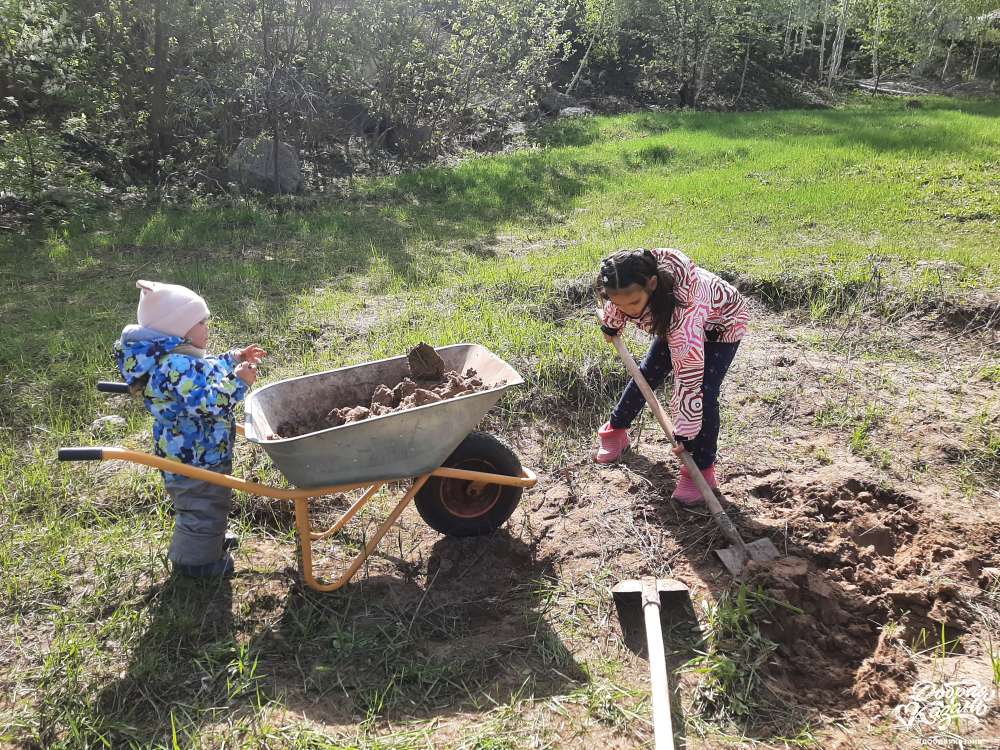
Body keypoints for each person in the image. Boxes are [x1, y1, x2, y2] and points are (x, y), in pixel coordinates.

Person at [115, 280, 266, 576]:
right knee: (201, 506)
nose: (207, 327)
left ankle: (209, 541)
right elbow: (207, 403)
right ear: (179, 329)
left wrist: (234, 358)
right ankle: (196, 564)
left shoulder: (180, 358)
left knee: (211, 502)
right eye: (201, 322)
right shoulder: (174, 365)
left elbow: (206, 370)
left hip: (201, 448)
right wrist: (238, 382)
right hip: (193, 456)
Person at [595, 248, 749, 505]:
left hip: (721, 327)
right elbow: (619, 302)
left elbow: (688, 381)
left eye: (633, 303)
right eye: (619, 304)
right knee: (647, 374)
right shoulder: (628, 286)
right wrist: (612, 323)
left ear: (652, 284)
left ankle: (701, 471)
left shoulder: (683, 314)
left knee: (705, 393)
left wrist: (686, 434)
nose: (628, 311)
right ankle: (615, 431)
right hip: (671, 321)